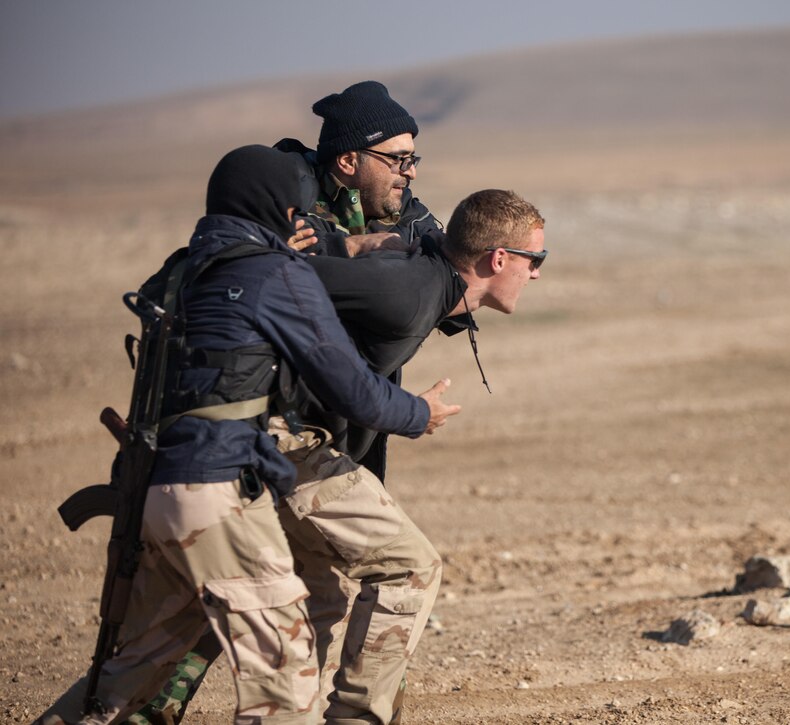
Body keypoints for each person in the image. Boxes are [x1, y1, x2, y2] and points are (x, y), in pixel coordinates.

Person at [36, 145, 460, 725]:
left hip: (153, 484)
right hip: (215, 490)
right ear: (285, 211)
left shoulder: (185, 268)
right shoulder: (274, 273)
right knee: (285, 680)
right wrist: (418, 413)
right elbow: (352, 388)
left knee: (127, 675)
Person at [139, 189, 547, 725]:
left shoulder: (425, 284)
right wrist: (412, 411)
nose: (537, 274)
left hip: (271, 445)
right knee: (411, 566)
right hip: (283, 442)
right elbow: (283, 277)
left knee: (310, 596)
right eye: (534, 260)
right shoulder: (407, 290)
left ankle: (134, 706)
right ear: (498, 259)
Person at [275, 80, 442, 258]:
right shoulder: (289, 201)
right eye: (397, 159)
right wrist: (349, 246)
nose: (411, 172)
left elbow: (451, 273)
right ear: (348, 162)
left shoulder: (411, 215)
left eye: (411, 160)